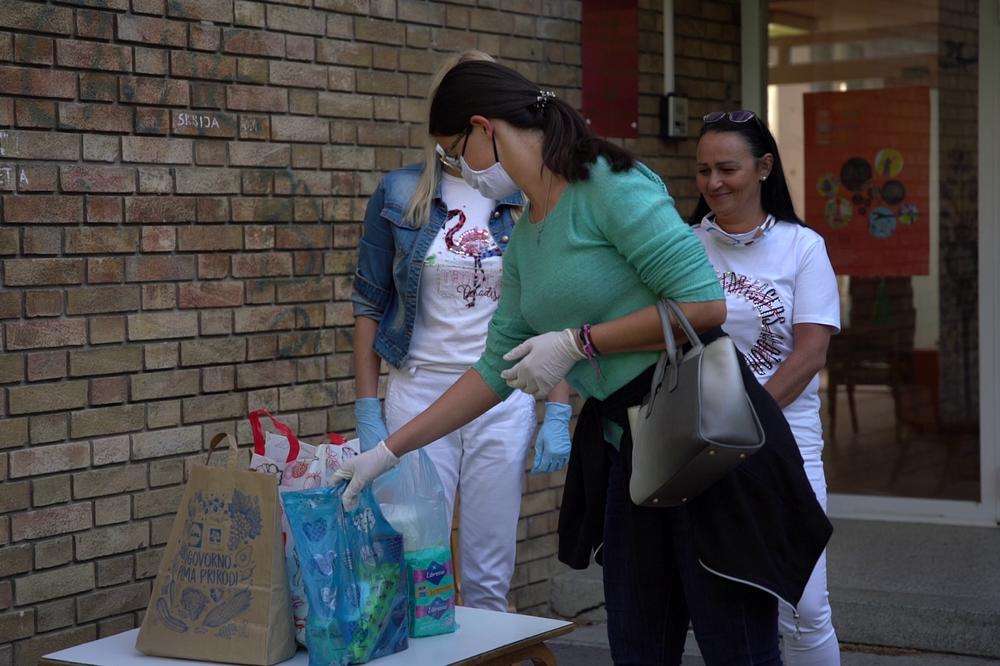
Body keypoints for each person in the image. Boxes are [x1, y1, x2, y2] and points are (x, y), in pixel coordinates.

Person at [340, 60, 833, 665]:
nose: (458, 169)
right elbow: (493, 369)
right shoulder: (525, 235)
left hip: (704, 439)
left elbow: (704, 305)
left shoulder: (608, 181)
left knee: (737, 648)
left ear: (483, 128)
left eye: (454, 152)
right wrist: (389, 450)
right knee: (638, 647)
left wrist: (580, 343)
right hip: (632, 453)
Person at [350, 50, 573, 613]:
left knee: (488, 574)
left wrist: (558, 408)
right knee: (415, 565)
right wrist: (367, 407)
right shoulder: (400, 193)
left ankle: (487, 649)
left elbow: (553, 313)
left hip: (502, 395)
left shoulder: (527, 196)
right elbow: (369, 302)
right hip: (419, 394)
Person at [690, 110, 842, 664]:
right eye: (703, 170)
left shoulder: (803, 246)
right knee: (727, 606)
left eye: (727, 168)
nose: (714, 182)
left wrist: (746, 421)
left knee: (804, 607)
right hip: (699, 447)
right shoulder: (684, 244)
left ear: (763, 168)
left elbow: (810, 354)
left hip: (784, 443)